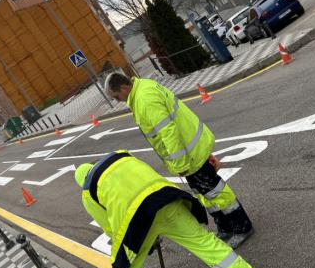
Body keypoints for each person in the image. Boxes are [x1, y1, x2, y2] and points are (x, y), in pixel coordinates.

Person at [74, 151, 278, 268]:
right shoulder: (120, 156)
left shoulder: (87, 193)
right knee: (208, 245)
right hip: (166, 198)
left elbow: (112, 231)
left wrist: (142, 243)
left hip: (136, 222)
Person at [104, 72, 254, 248]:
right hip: (190, 149)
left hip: (189, 154)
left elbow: (168, 132)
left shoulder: (144, 98)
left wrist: (180, 163)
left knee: (214, 191)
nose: (118, 100)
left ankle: (242, 226)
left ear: (123, 87)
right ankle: (225, 226)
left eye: (116, 96)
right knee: (205, 193)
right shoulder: (142, 89)